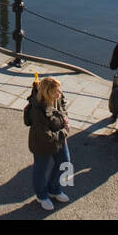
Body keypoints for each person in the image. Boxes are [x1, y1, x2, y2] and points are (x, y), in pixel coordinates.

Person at [26, 76, 71, 211]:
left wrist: (64, 116)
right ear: (47, 94)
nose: (59, 94)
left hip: (58, 136)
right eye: (55, 92)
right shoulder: (38, 110)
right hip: (42, 143)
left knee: (65, 163)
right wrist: (64, 131)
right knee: (40, 169)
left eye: (59, 90)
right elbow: (46, 136)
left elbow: (62, 103)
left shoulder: (57, 95)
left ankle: (54, 188)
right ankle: (41, 195)